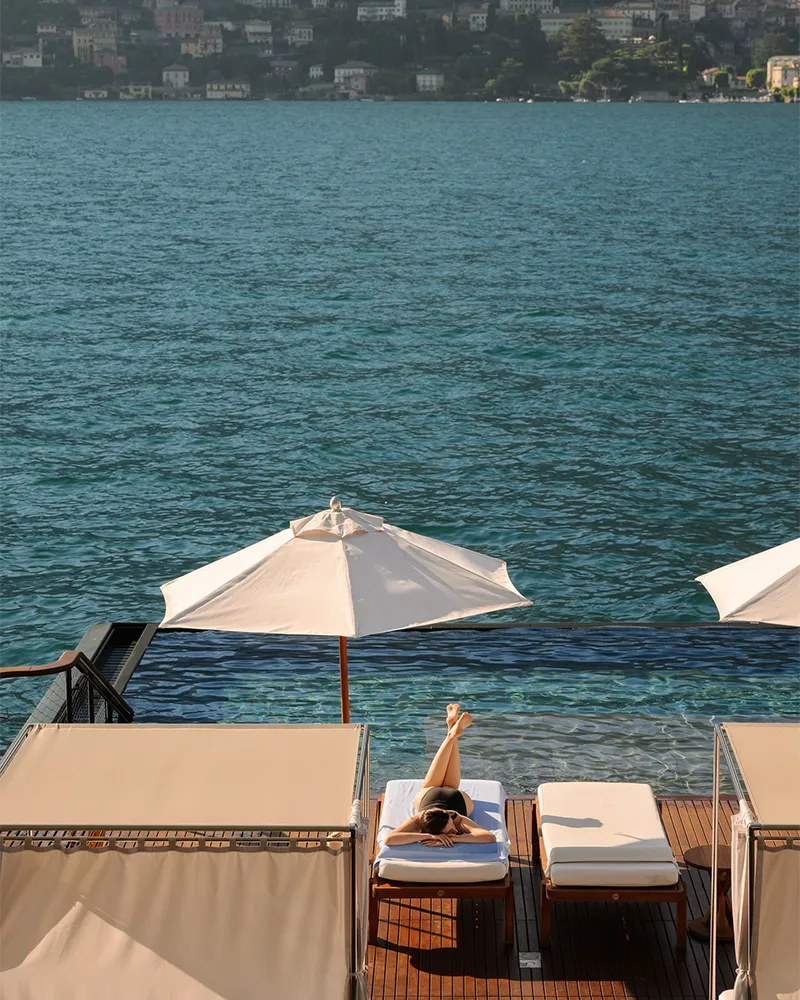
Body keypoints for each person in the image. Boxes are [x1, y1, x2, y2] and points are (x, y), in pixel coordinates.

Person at [382, 704, 497, 849]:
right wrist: (437, 836)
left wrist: (439, 837)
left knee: (450, 785)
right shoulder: (448, 818)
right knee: (440, 782)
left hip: (453, 797)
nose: (454, 829)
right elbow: (489, 837)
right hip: (430, 794)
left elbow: (390, 839)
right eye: (451, 830)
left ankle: (452, 732)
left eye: (450, 828)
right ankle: (451, 731)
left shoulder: (452, 817)